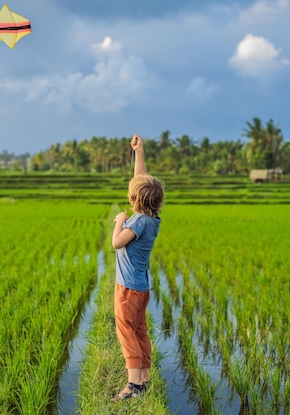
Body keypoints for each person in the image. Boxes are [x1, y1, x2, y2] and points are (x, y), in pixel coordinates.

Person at [111, 134, 165, 401]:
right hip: (141, 288)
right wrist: (139, 152)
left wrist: (119, 221)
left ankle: (133, 386)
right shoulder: (151, 218)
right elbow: (141, 181)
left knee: (126, 331)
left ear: (135, 200)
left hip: (128, 289)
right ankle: (143, 376)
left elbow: (117, 243)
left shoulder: (136, 222)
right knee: (140, 329)